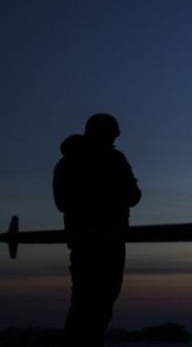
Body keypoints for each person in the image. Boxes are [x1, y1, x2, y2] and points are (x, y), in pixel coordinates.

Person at [53, 114, 141, 347]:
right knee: (100, 301)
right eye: (112, 136)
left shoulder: (66, 162)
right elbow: (134, 197)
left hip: (81, 242)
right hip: (109, 240)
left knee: (84, 301)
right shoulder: (114, 160)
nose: (114, 140)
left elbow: (61, 202)